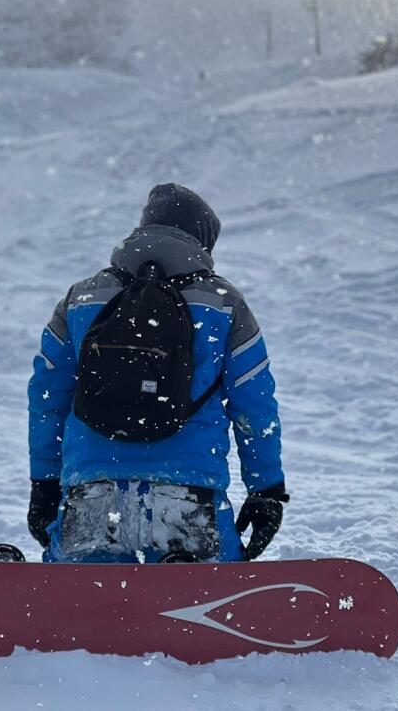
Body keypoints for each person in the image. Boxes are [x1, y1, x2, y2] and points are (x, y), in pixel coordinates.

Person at [27, 183, 287, 563]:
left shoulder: (82, 298)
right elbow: (255, 407)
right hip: (188, 495)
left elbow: (47, 397)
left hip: (94, 490)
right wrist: (265, 488)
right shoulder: (225, 305)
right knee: (208, 595)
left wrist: (45, 482)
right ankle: (187, 590)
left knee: (79, 595)